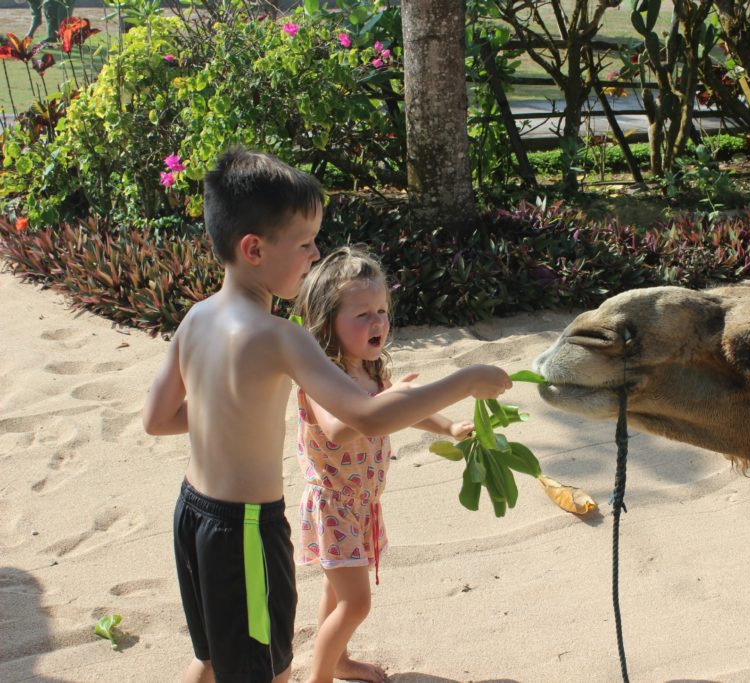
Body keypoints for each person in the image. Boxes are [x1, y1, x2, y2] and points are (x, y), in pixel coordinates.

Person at [141, 147, 511, 683]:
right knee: (268, 670)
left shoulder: (197, 318)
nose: (315, 255)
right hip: (244, 528)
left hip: (192, 513)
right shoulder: (281, 337)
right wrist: (467, 380)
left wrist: (229, 410)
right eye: (305, 243)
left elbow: (157, 417)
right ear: (254, 249)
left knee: (210, 656)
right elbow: (367, 417)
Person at [290, 246, 474, 683]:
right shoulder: (322, 375)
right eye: (362, 314)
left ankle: (338, 659)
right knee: (356, 603)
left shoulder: (371, 372)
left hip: (363, 503)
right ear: (327, 322)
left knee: (336, 591)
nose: (377, 323)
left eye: (382, 311)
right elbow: (338, 429)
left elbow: (404, 408)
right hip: (333, 504)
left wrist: (447, 427)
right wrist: (385, 400)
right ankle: (320, 679)